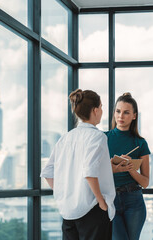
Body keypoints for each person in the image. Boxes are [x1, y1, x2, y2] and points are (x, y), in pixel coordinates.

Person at [41, 89, 116, 240]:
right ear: (95, 110)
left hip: (68, 212)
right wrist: (101, 202)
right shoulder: (97, 137)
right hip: (92, 210)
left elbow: (48, 172)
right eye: (101, 107)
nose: (102, 111)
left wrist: (66, 193)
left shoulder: (65, 138)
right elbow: (89, 172)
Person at [104, 92, 150, 240]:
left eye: (126, 112)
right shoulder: (103, 139)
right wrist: (112, 165)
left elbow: (145, 182)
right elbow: (94, 172)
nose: (120, 116)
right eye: (118, 111)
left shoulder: (140, 143)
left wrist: (131, 169)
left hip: (134, 201)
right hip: (110, 199)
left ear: (134, 116)